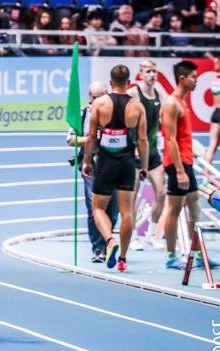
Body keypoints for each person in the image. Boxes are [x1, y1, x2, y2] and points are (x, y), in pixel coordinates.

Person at [83, 65, 149, 272]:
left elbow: (92, 137)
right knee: (127, 212)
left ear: (110, 83)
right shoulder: (137, 107)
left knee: (98, 208)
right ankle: (122, 259)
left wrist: (86, 161)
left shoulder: (100, 104)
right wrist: (144, 166)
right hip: (128, 162)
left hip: (105, 162)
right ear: (128, 83)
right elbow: (143, 140)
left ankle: (110, 241)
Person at [161, 60, 220, 269]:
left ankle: (197, 254)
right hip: (176, 165)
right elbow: (169, 139)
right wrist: (179, 171)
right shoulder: (171, 103)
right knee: (175, 209)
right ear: (182, 78)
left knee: (195, 206)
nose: (196, 80)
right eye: (194, 77)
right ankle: (170, 256)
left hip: (186, 162)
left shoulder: (182, 101)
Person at [67, 81, 119, 263]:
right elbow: (71, 140)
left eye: (102, 96)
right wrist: (90, 139)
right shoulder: (82, 113)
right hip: (91, 165)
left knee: (113, 210)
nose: (98, 100)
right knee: (93, 207)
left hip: (113, 163)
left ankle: (109, 242)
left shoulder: (115, 110)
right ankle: (99, 249)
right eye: (95, 97)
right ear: (89, 96)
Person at [127, 60, 166, 250]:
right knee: (132, 195)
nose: (152, 75)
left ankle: (151, 234)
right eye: (148, 71)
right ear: (141, 73)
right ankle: (133, 236)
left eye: (154, 71)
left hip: (152, 152)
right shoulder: (134, 93)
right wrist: (131, 143)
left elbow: (160, 122)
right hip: (135, 152)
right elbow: (123, 116)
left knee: (161, 192)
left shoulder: (159, 94)